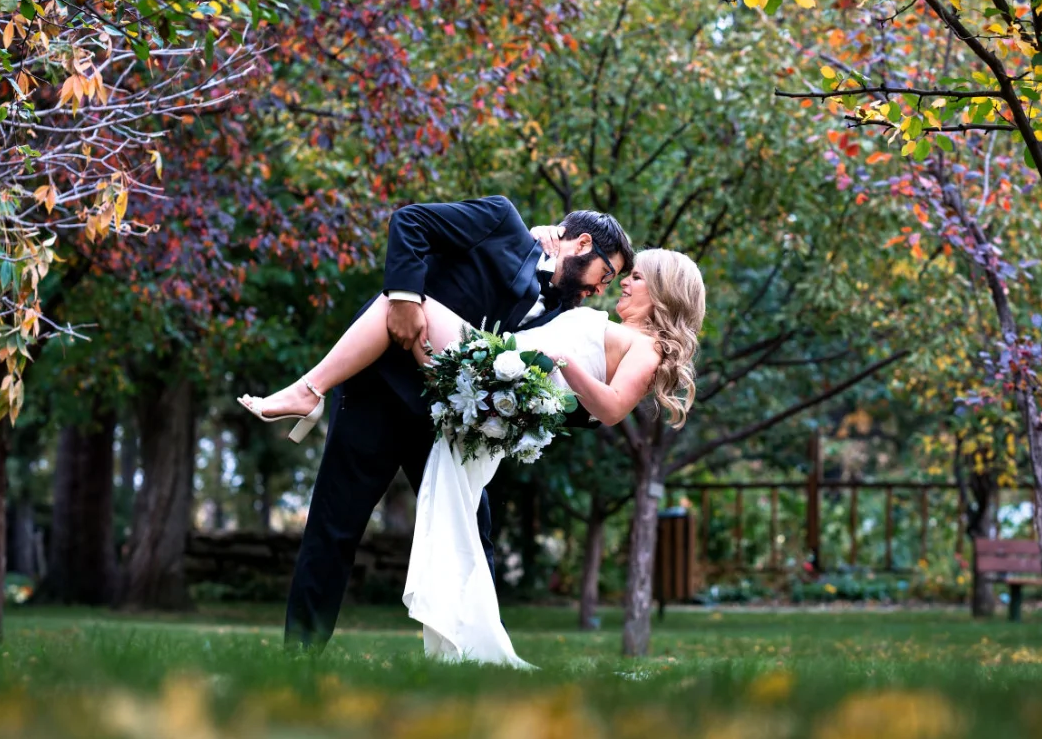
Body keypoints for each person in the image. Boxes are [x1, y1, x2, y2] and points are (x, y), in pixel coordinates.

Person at [242, 241, 706, 667]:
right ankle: (319, 390)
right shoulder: (609, 324)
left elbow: (610, 409)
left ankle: (310, 389)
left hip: (498, 372)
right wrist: (540, 240)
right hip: (496, 365)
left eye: (637, 277)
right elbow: (543, 291)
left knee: (401, 302)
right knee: (403, 312)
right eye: (622, 274)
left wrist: (560, 365)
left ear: (664, 294)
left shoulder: (647, 348)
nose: (623, 283)